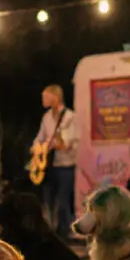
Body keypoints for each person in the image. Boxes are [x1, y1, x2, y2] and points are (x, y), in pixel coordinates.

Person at [32, 84, 79, 239]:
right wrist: (36, 148)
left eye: (46, 97)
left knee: (63, 201)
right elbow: (40, 137)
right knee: (48, 199)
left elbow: (67, 143)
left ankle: (64, 232)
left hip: (65, 164)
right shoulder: (46, 117)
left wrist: (57, 144)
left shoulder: (70, 117)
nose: (43, 100)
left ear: (55, 97)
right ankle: (50, 230)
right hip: (49, 164)